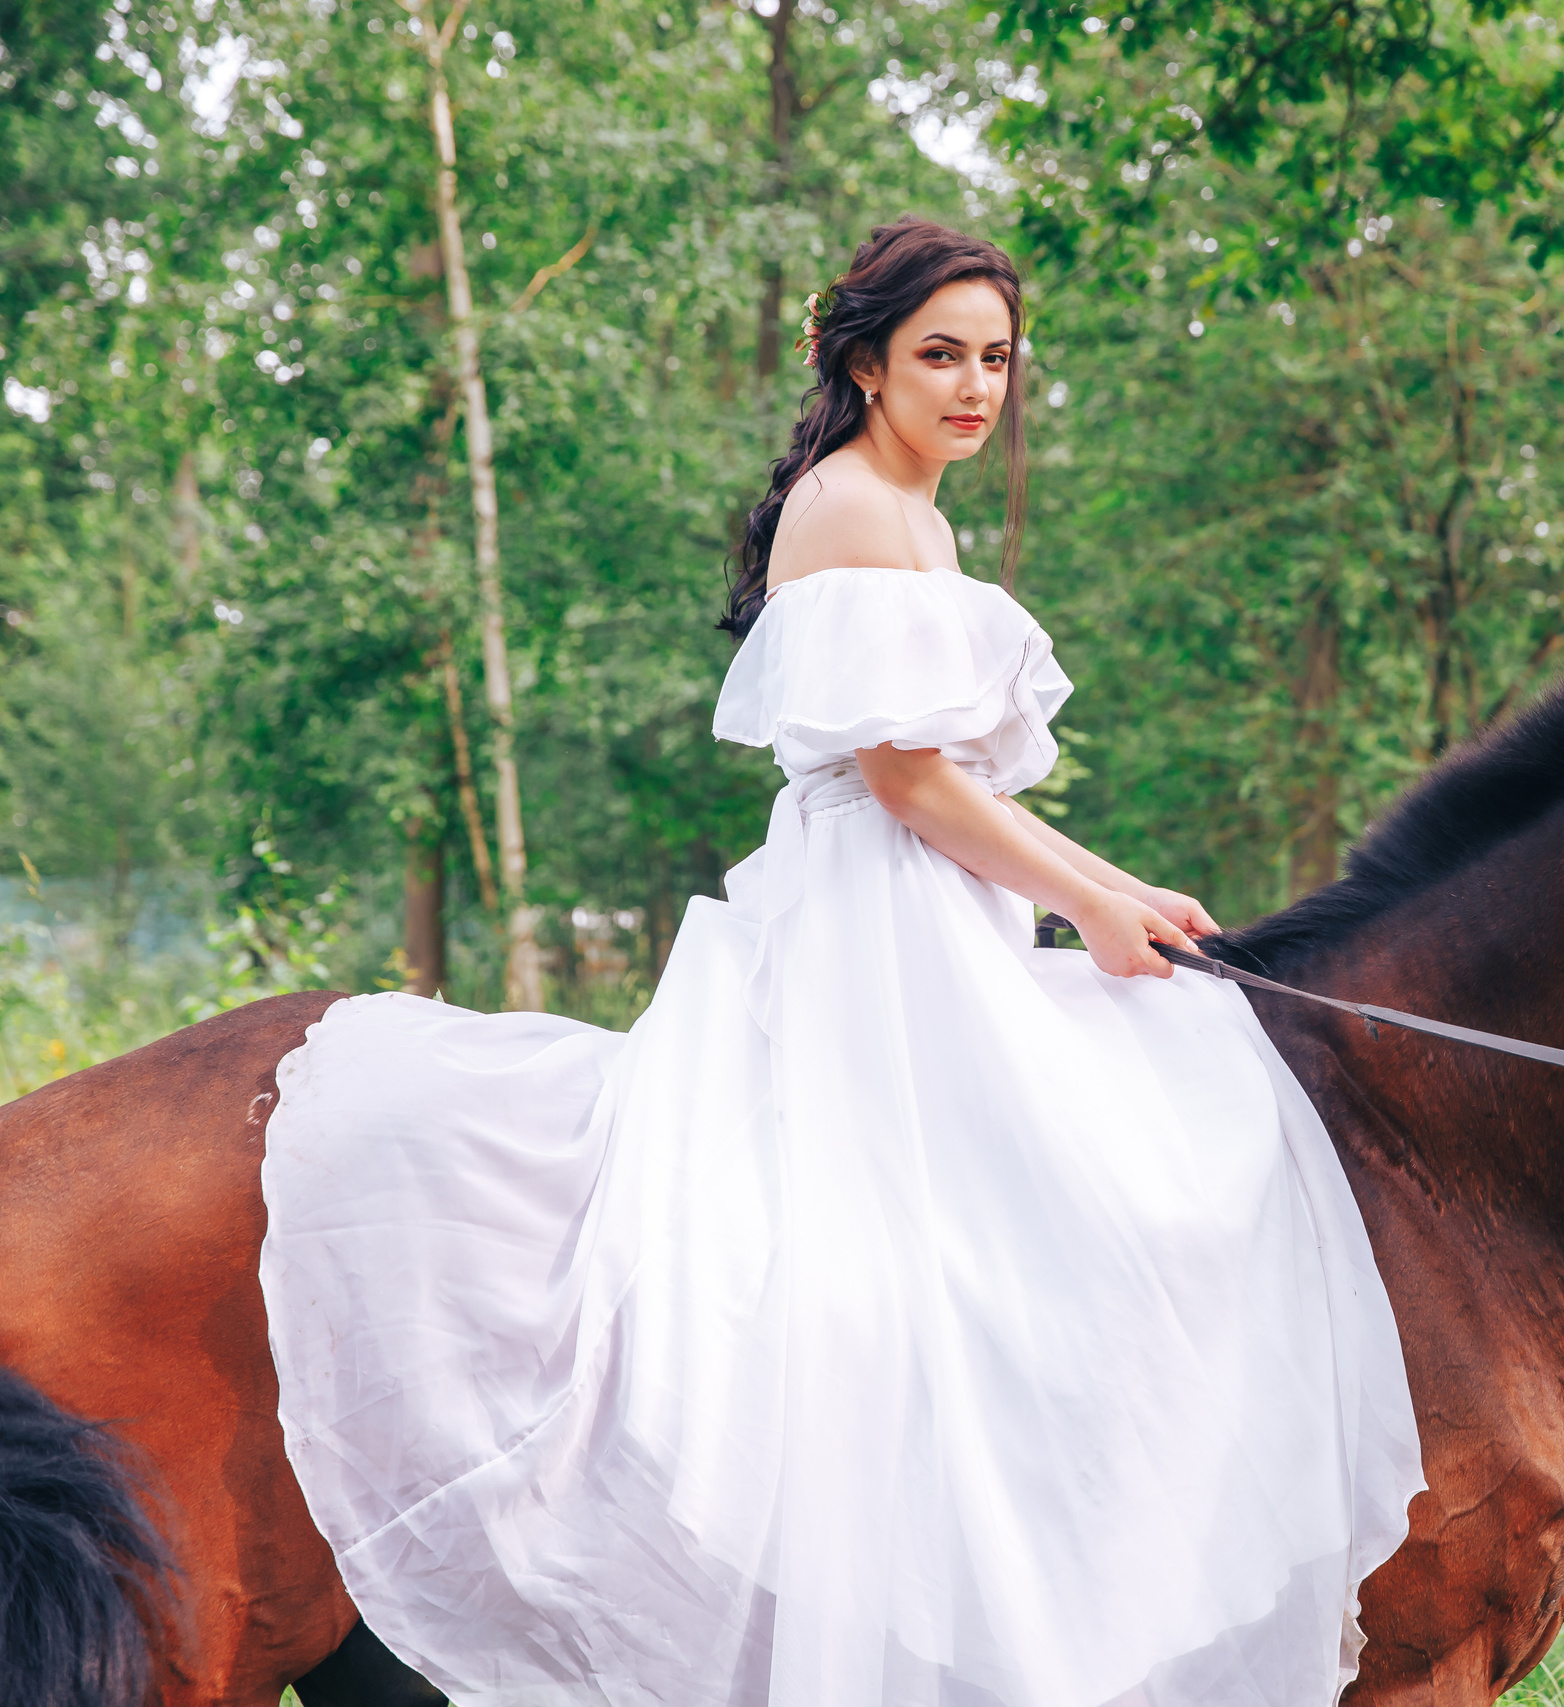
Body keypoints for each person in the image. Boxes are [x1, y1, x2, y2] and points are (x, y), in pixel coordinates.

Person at [259, 217, 1425, 1707]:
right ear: (865, 363)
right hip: (878, 921)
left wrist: (1117, 885)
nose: (975, 387)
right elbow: (909, 785)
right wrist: (1092, 912)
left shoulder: (914, 513)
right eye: (940, 355)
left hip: (932, 902)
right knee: (994, 1238)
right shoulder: (860, 511)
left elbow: (958, 783)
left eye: (997, 358)